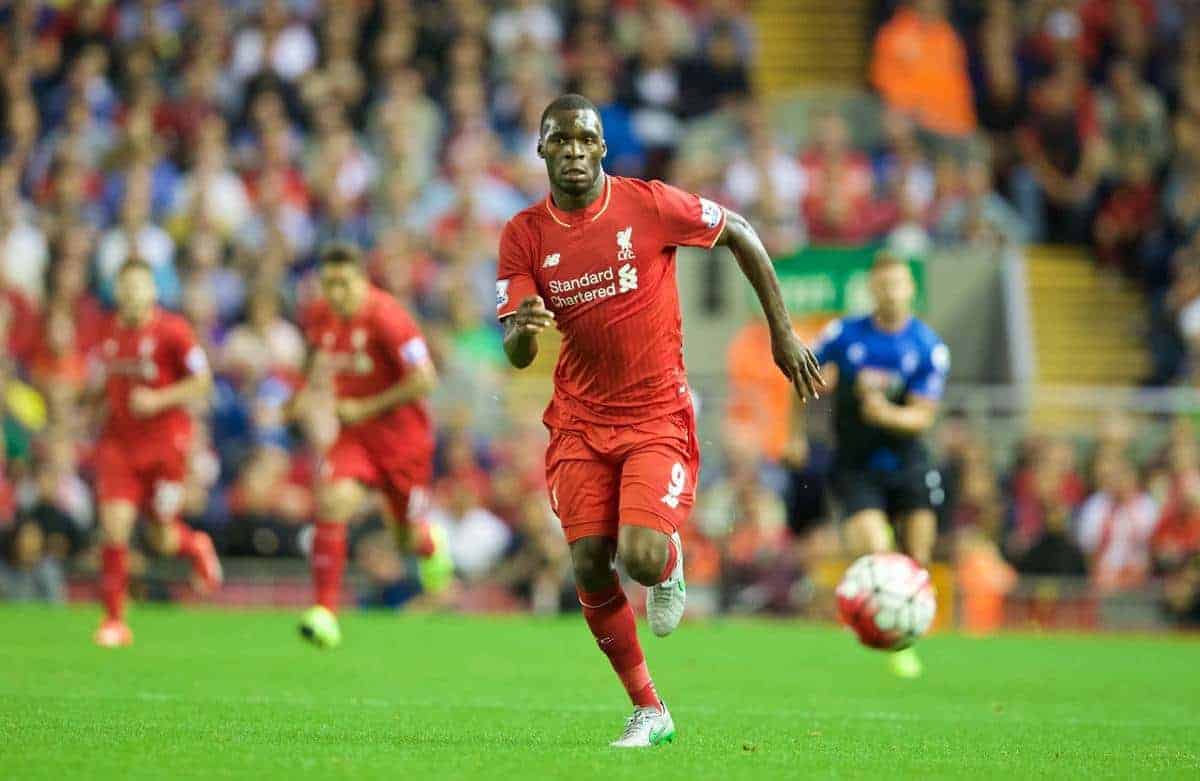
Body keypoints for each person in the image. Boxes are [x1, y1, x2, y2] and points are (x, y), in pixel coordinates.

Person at [496, 94, 822, 748]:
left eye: (586, 140)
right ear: (542, 151)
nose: (575, 152)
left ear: (603, 148)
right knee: (590, 563)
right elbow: (517, 345)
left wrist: (780, 334)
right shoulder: (524, 234)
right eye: (561, 141)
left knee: (640, 558)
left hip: (654, 416)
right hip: (579, 422)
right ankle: (649, 707)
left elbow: (741, 233)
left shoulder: (647, 204)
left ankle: (668, 559)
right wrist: (524, 334)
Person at [290, 244, 452, 648]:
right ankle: (324, 612)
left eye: (343, 283)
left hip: (403, 444)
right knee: (332, 503)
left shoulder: (388, 318)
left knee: (405, 538)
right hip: (355, 439)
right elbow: (312, 358)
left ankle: (431, 541)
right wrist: (303, 395)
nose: (335, 292)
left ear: (362, 279)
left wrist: (366, 406)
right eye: (328, 284)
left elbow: (425, 380)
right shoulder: (320, 316)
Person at [809, 252, 950, 678]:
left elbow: (923, 415)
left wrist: (883, 412)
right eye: (883, 284)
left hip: (908, 461)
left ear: (911, 290)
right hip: (856, 463)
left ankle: (905, 630)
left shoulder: (927, 346)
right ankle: (893, 643)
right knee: (877, 550)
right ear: (872, 289)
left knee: (918, 555)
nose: (890, 291)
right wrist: (817, 385)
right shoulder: (844, 334)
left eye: (898, 284)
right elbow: (807, 372)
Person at [90, 259, 221, 648]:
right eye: (125, 286)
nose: (131, 294)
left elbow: (202, 380)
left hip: (165, 448)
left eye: (139, 286)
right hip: (119, 446)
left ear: (153, 291)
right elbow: (111, 381)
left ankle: (196, 545)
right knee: (114, 527)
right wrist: (92, 405)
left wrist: (159, 399)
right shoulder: (109, 330)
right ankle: (114, 619)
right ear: (117, 291)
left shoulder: (174, 331)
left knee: (162, 536)